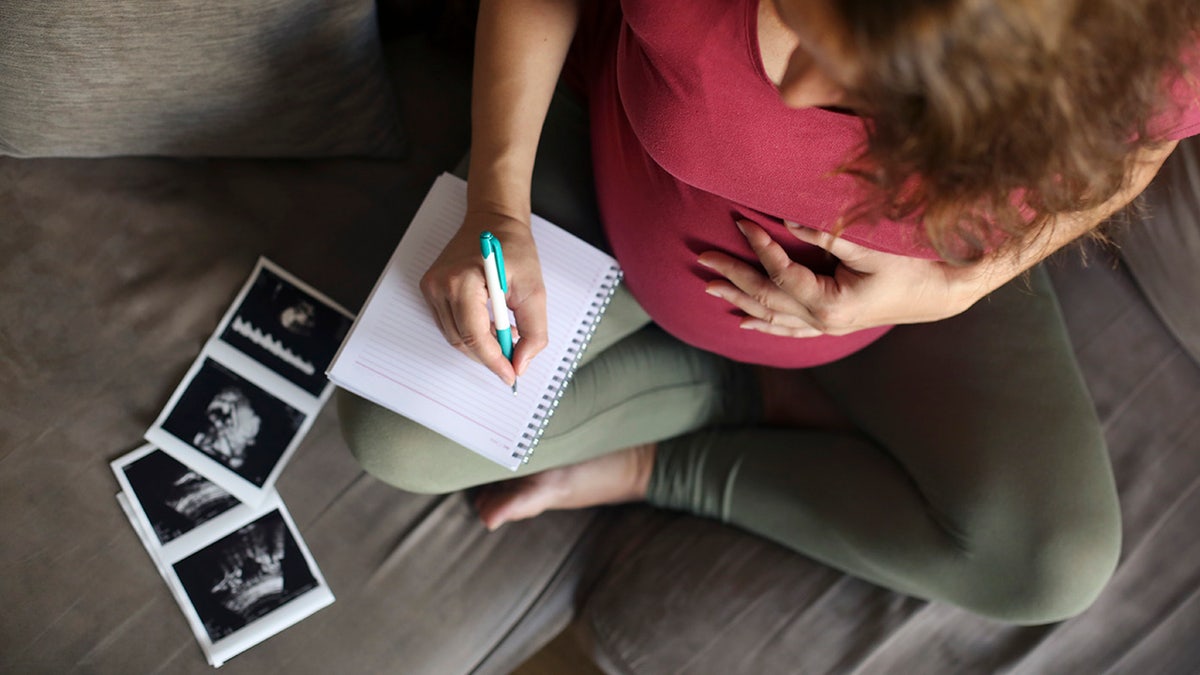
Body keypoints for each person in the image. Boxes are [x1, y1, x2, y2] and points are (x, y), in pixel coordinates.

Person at [338, 0, 1200, 624]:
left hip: (905, 301)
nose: (797, 93)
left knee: (1053, 564)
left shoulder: (1146, 38)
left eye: (867, 91)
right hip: (621, 201)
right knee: (392, 432)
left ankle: (664, 459)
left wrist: (954, 287)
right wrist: (496, 202)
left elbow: (1145, 139)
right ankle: (748, 397)